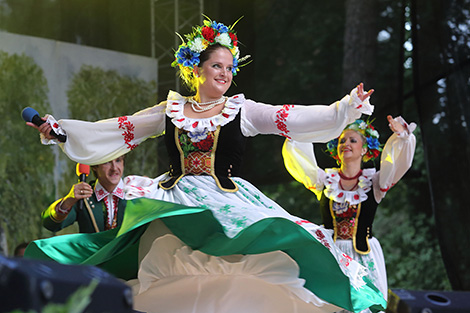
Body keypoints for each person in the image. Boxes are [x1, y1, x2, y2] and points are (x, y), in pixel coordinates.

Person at [25, 19, 386, 313]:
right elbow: (120, 129)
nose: (225, 74)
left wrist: (344, 109)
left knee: (236, 273)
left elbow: (288, 118)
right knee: (172, 270)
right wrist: (61, 131)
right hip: (177, 201)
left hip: (224, 201)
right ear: (195, 69)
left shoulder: (241, 110)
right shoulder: (170, 111)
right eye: (217, 65)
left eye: (229, 68)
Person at [283, 115, 416, 313]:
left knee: (364, 307)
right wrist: (299, 128)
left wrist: (402, 136)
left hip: (364, 257)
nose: (345, 144)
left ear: (364, 149)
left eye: (352, 140)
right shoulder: (325, 180)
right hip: (331, 256)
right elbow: (297, 157)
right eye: (342, 140)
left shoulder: (375, 182)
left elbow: (397, 164)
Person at [42, 156, 126, 233]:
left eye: (118, 161)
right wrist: (68, 201)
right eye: (107, 162)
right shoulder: (84, 197)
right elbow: (50, 225)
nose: (114, 168)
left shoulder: (135, 194)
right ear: (94, 166)